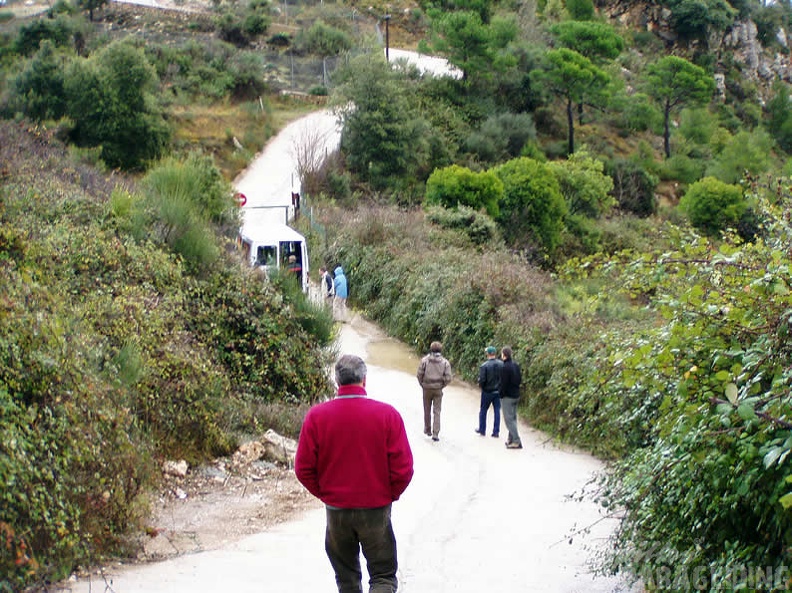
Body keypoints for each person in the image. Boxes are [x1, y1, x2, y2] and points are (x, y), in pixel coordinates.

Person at [294, 354, 414, 593]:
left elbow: (303, 469)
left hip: (337, 514)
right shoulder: (387, 415)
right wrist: (387, 495)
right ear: (364, 380)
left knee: (347, 580)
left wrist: (327, 494)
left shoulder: (317, 417)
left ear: (337, 381)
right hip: (375, 511)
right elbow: (404, 469)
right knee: (382, 577)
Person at [416, 341, 453, 442]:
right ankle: (435, 433)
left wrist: (422, 384)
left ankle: (427, 429)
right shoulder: (445, 362)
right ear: (441, 350)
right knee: (437, 411)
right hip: (438, 389)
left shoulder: (424, 361)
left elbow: (419, 374)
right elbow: (449, 378)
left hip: (426, 388)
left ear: (431, 349)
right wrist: (442, 385)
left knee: (426, 409)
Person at [475, 345, 503, 438]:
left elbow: (482, 380)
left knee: (483, 410)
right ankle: (496, 431)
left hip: (487, 391)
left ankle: (482, 429)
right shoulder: (501, 364)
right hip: (498, 391)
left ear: (488, 354)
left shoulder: (484, 366)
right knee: (497, 411)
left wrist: (481, 386)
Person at [499, 346, 523, 449]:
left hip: (508, 396)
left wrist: (501, 394)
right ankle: (511, 438)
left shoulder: (505, 367)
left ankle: (517, 441)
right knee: (513, 418)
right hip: (516, 394)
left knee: (508, 419)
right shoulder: (515, 365)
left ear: (504, 355)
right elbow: (519, 379)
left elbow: (503, 383)